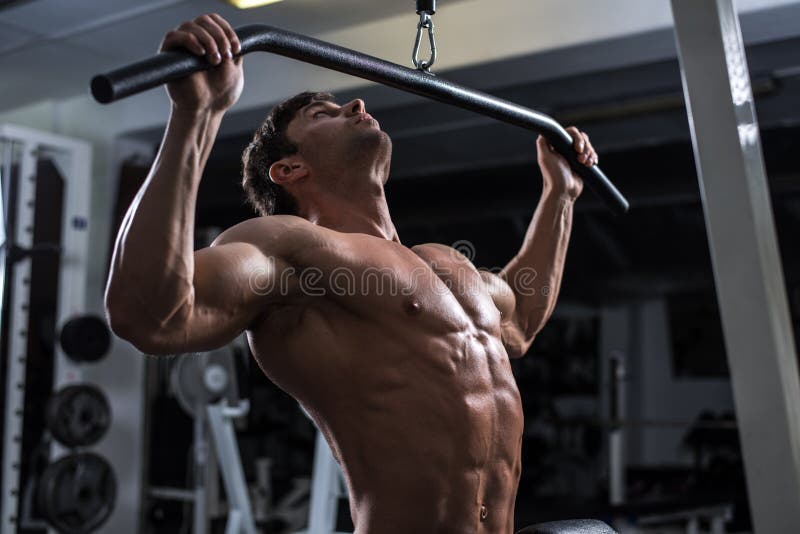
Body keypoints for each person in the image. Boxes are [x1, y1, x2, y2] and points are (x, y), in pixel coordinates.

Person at [105, 13, 598, 534]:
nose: (358, 105)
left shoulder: (445, 262)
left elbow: (521, 319)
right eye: (324, 113)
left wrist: (561, 195)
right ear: (289, 169)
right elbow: (151, 315)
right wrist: (197, 115)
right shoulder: (290, 247)